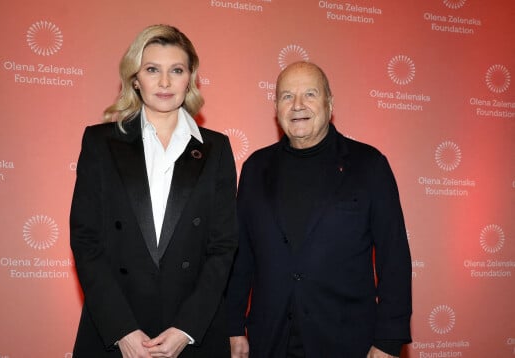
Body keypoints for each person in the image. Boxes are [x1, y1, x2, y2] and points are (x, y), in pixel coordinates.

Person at [70, 24, 238, 358]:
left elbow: (223, 245)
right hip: (116, 331)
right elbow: (85, 239)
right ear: (135, 78)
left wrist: (186, 329)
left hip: (193, 334)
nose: (164, 82)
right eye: (152, 70)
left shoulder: (216, 149)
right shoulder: (100, 142)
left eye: (176, 70)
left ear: (189, 78)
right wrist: (123, 331)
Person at [226, 61, 412, 358]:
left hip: (347, 341)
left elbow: (395, 258)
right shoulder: (255, 168)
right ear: (276, 107)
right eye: (287, 96)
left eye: (310, 94)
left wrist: (389, 341)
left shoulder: (369, 165)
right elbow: (241, 256)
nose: (298, 105)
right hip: (270, 339)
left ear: (330, 102)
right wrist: (233, 326)